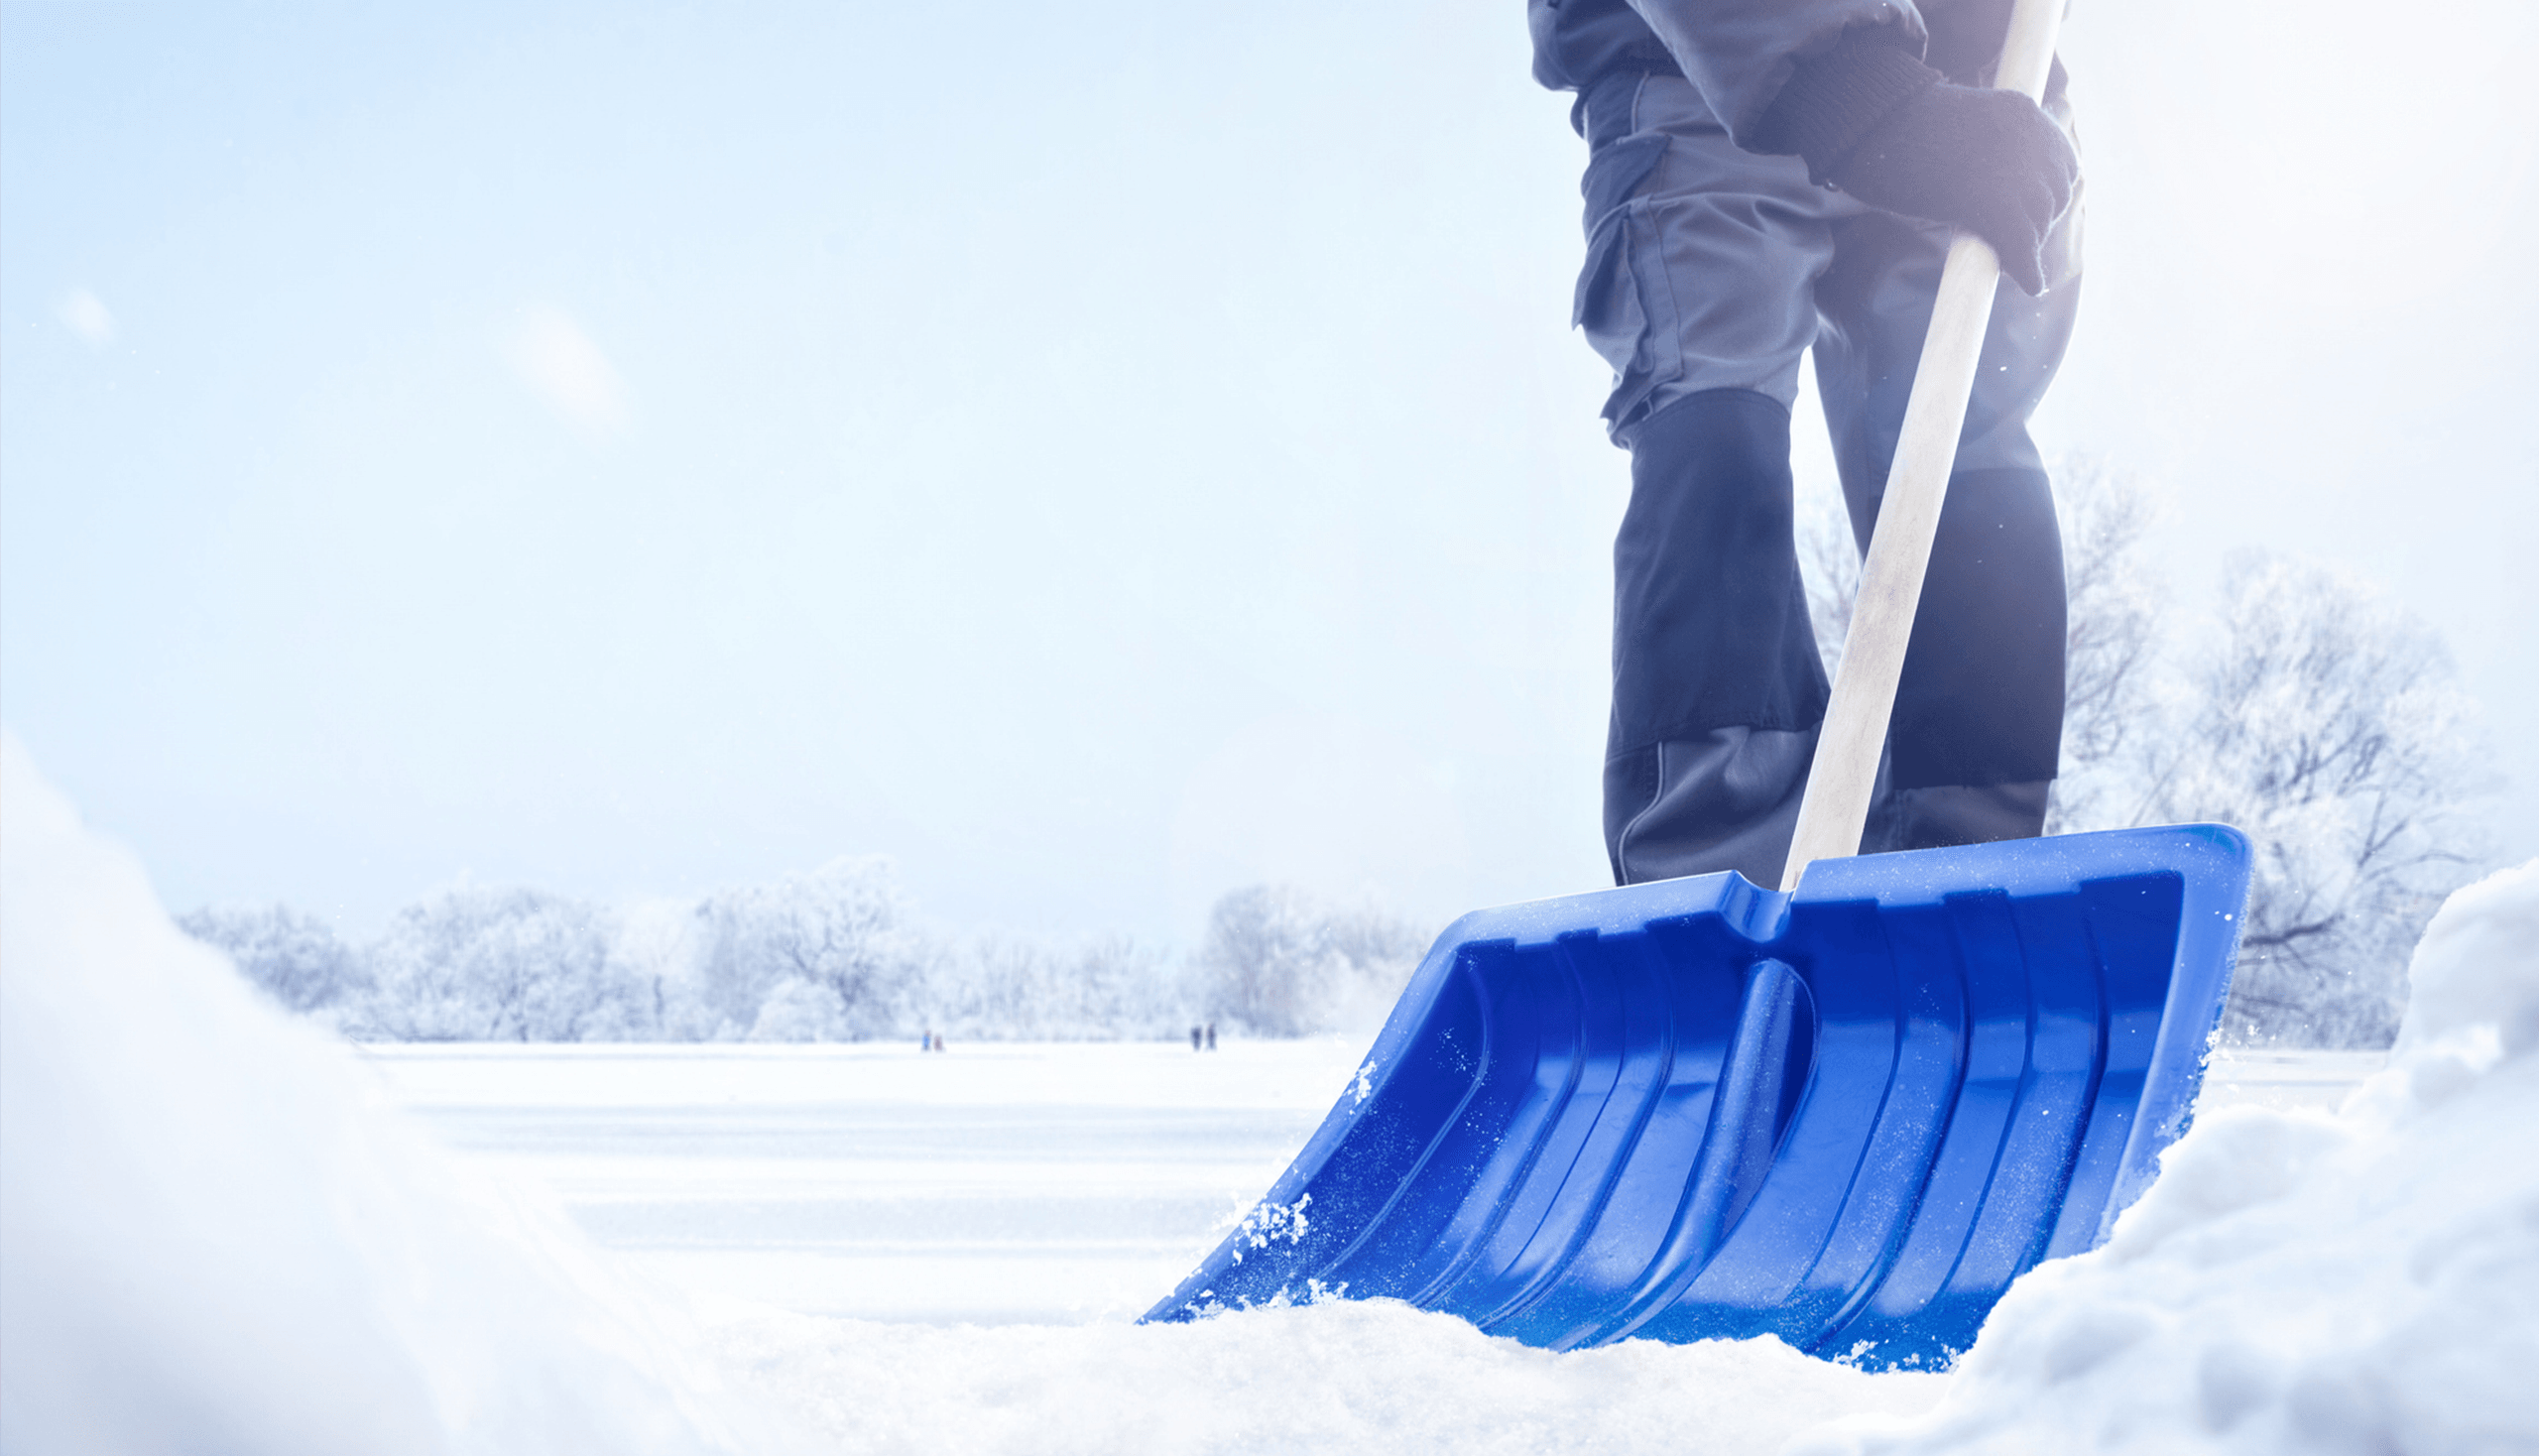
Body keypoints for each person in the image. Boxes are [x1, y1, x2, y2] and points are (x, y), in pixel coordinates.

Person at [1528, 0, 2083, 887]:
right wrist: (1858, 96)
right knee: (1717, 414)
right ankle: (1720, 874)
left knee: (1965, 451)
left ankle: (1967, 873)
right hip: (1701, 57)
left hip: (1983, 81)